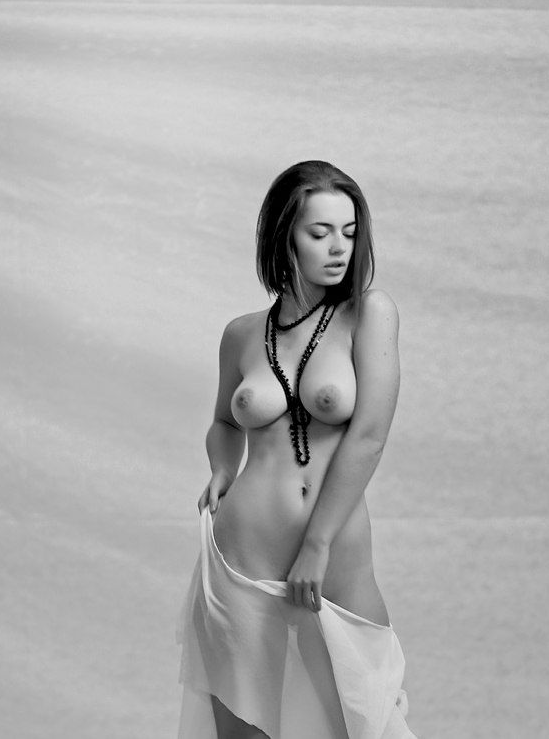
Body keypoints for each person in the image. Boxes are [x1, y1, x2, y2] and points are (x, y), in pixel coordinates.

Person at [176, 160, 416, 739]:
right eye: (320, 232)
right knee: (244, 728)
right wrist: (221, 468)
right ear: (284, 237)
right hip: (242, 554)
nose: (339, 248)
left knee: (363, 719)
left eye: (349, 232)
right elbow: (223, 421)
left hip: (331, 549)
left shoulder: (368, 314)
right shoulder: (241, 333)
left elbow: (369, 435)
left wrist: (317, 543)